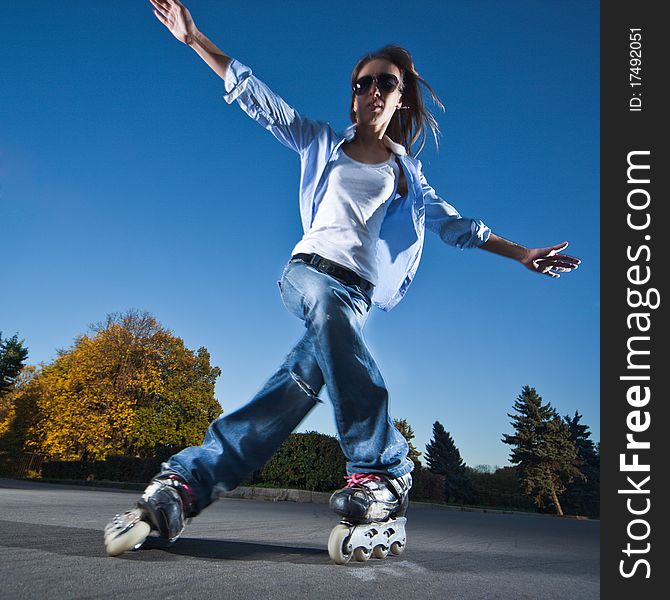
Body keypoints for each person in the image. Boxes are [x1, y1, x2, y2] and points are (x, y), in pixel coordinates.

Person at [104, 0, 581, 560]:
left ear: (399, 99)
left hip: (356, 295)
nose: (372, 90)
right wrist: (195, 39)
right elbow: (259, 99)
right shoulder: (317, 140)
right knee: (326, 313)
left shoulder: (408, 175)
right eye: (362, 83)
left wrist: (521, 252)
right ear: (353, 95)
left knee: (298, 382)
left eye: (385, 83)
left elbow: (459, 226)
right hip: (307, 275)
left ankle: (187, 485)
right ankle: (383, 468)